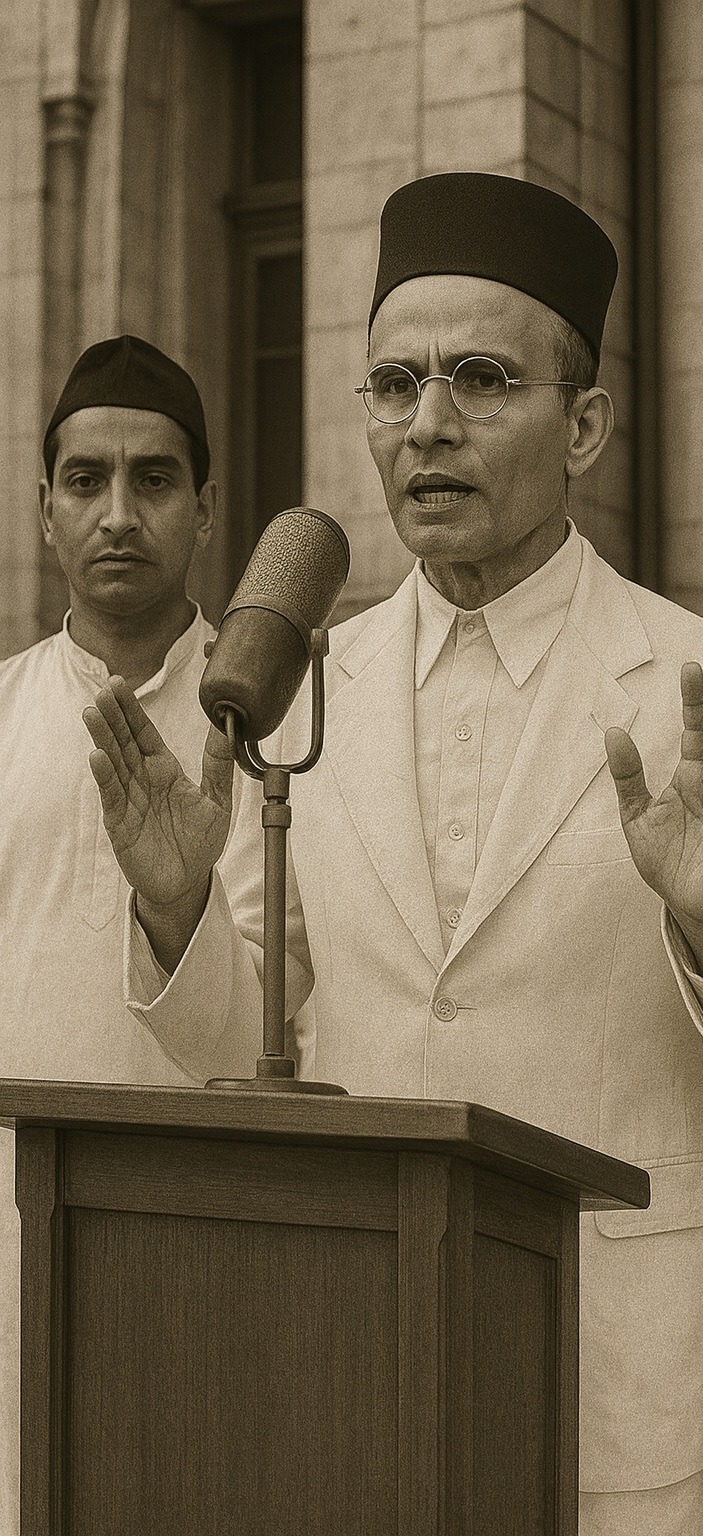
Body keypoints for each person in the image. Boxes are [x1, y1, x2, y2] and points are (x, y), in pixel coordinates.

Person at [85, 174, 703, 1535]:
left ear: (585, 427)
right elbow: (244, 1027)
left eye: (479, 379)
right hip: (367, 1333)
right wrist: (177, 916)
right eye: (392, 386)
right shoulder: (307, 687)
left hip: (620, 1366)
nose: (426, 426)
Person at [0, 335, 257, 1536]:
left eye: (154, 481)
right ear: (44, 506)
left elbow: (286, 1025)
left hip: (220, 1257)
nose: (118, 513)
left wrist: (176, 907)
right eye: (85, 480)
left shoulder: (285, 725)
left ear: (205, 510)